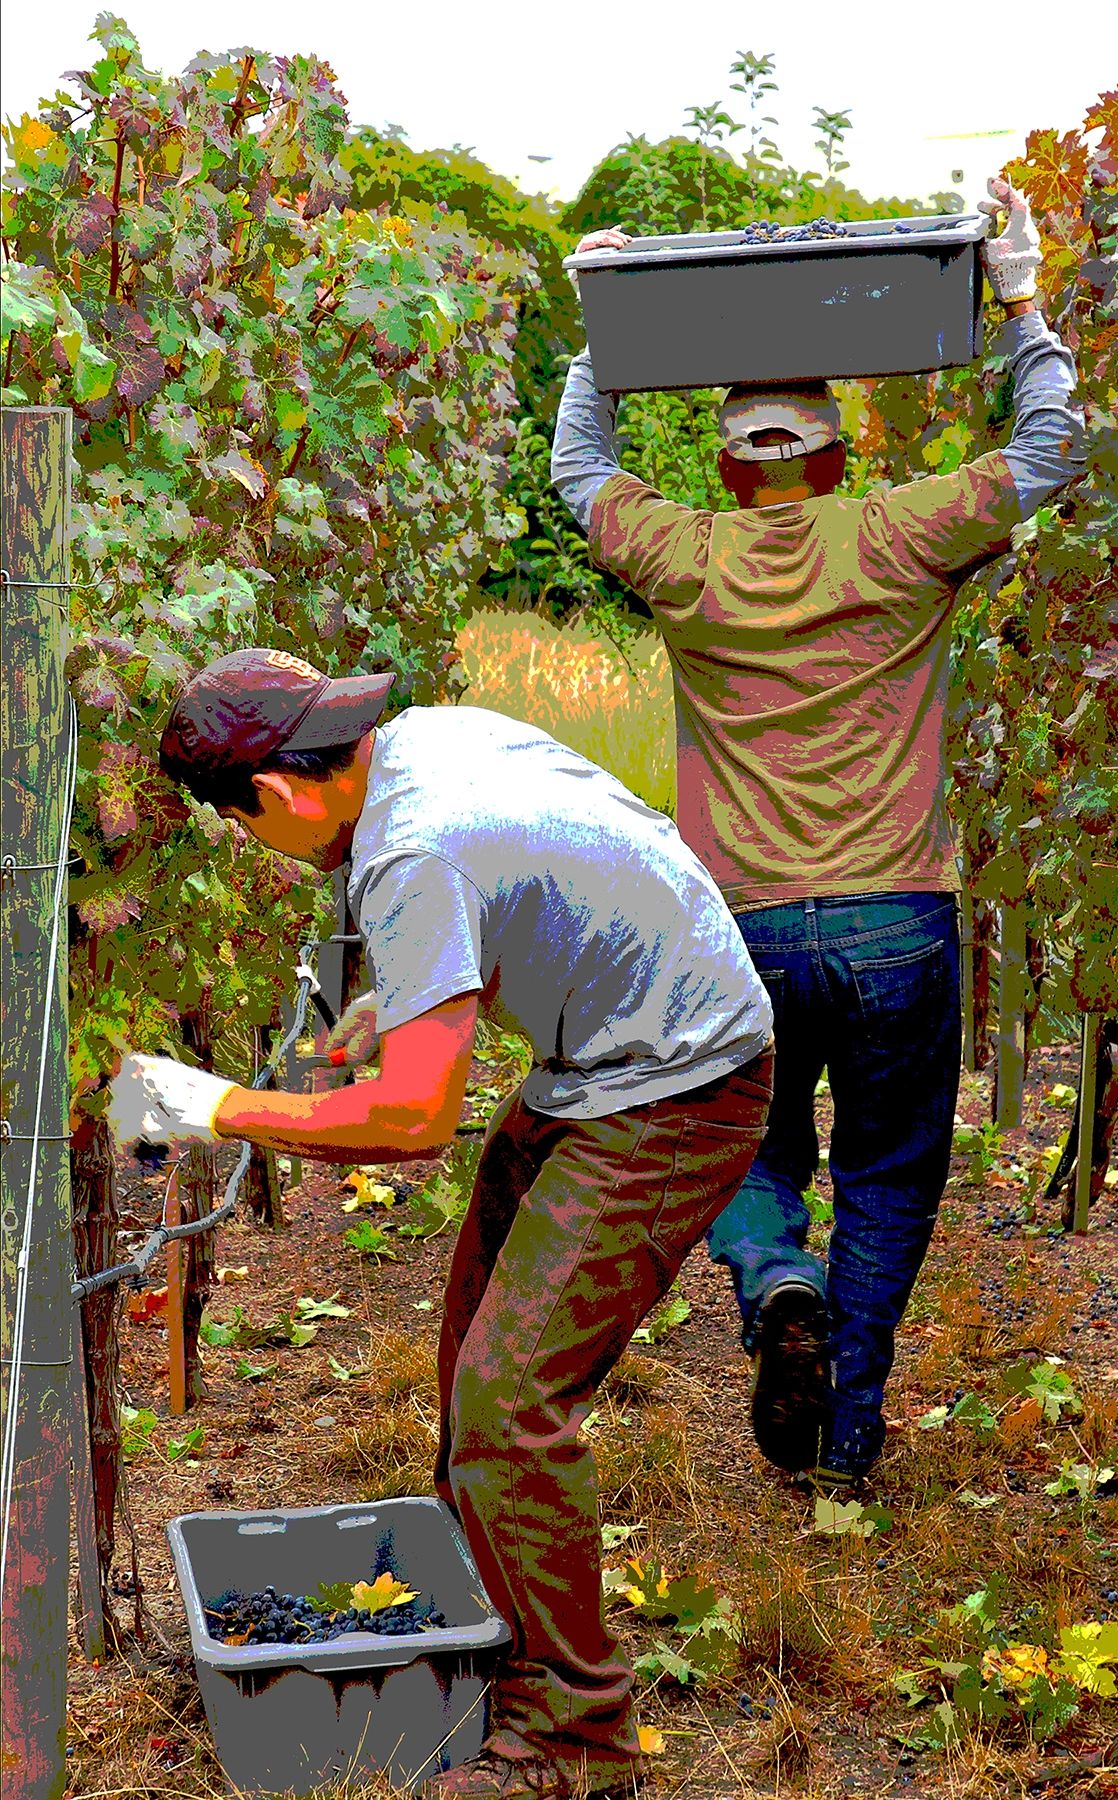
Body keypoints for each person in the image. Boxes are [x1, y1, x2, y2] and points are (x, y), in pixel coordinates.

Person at [109, 647, 774, 1800]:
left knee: (508, 1402)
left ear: (270, 794)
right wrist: (414, 989)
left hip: (676, 1090)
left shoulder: (409, 851)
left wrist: (213, 1106)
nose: (257, 850)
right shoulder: (423, 744)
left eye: (239, 827)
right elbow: (539, 868)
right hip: (612, 1058)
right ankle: (476, 1636)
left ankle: (575, 1736)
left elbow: (418, 1117)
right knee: (473, 1350)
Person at [550, 176, 1088, 1490]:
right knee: (892, 1173)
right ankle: (847, 1440)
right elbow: (1053, 452)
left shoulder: (688, 555)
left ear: (733, 464)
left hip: (733, 921)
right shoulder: (900, 533)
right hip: (901, 917)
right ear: (838, 455)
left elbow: (579, 472)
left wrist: (600, 334)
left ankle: (779, 1279)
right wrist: (1020, 299)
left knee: (744, 1144)